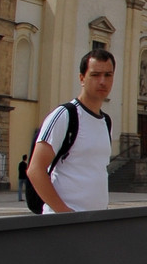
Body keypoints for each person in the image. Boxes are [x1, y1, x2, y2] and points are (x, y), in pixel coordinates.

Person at [27, 49, 115, 213]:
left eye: (108, 75)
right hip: (65, 223)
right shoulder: (65, 115)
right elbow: (35, 169)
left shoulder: (106, 122)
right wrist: (65, 213)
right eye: (95, 75)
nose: (102, 81)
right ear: (82, 78)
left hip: (94, 223)